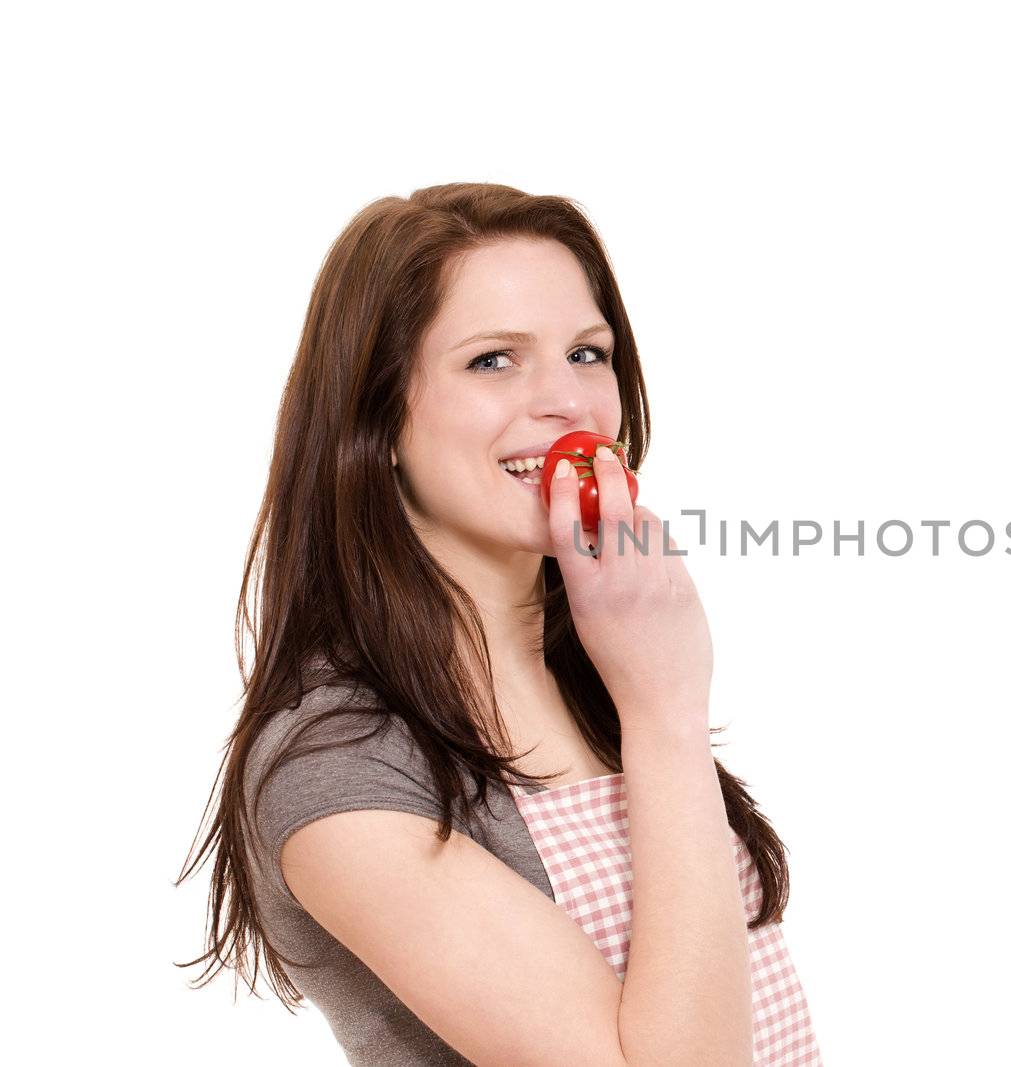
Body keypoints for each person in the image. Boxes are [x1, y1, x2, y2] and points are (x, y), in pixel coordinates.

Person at [175, 184, 822, 1065]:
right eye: (492, 361)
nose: (567, 403)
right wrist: (668, 709)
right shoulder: (339, 759)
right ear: (380, 419)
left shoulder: (602, 669)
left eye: (588, 354)